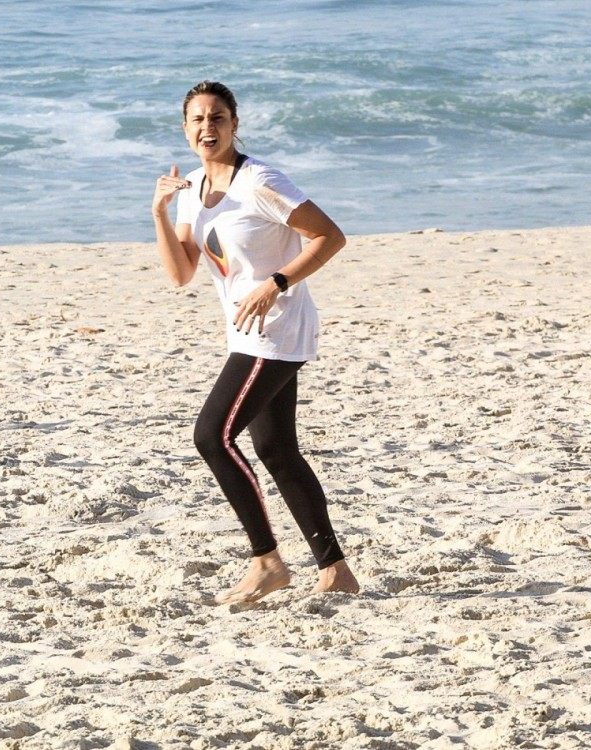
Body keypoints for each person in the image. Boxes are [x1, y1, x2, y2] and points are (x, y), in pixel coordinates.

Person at [151, 80, 360, 604]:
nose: (207, 127)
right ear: (185, 128)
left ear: (235, 124)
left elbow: (330, 236)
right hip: (246, 332)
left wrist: (277, 283)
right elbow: (180, 274)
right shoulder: (192, 191)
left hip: (278, 330)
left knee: (211, 436)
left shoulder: (261, 181)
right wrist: (158, 212)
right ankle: (336, 570)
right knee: (276, 449)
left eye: (217, 117)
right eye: (197, 119)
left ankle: (267, 560)